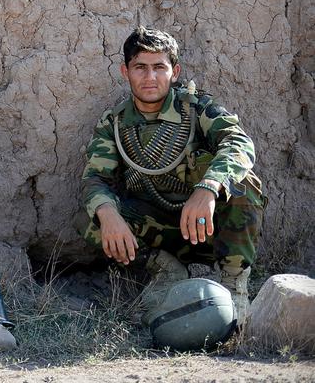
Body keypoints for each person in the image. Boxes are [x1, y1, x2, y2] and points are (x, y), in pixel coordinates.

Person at [80, 26, 264, 325]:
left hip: (207, 229)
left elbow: (239, 143)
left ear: (174, 71)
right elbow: (95, 178)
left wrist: (208, 188)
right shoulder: (115, 123)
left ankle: (234, 285)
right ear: (125, 72)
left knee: (244, 184)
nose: (150, 77)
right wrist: (107, 212)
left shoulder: (197, 109)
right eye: (140, 67)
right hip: (156, 233)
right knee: (90, 218)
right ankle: (165, 269)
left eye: (159, 67)